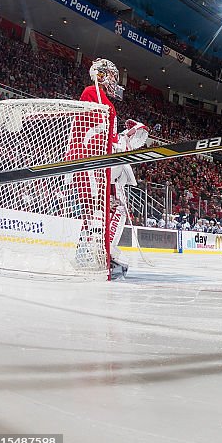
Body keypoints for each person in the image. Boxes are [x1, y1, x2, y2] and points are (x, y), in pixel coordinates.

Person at [74, 58, 147, 280]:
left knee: (104, 208)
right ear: (101, 75)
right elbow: (97, 134)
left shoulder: (106, 101)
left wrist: (127, 136)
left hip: (99, 163)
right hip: (90, 162)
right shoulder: (92, 92)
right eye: (111, 75)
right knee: (105, 208)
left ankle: (90, 253)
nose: (115, 80)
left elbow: (108, 138)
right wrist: (123, 143)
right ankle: (98, 253)